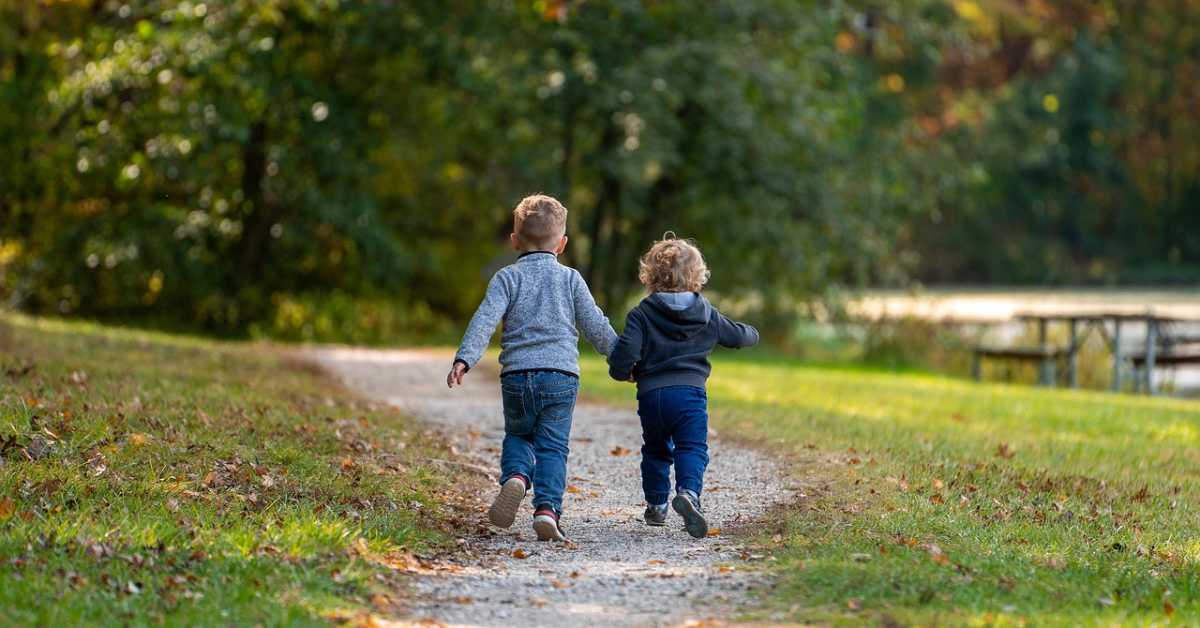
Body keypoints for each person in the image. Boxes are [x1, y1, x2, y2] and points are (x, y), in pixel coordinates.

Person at [447, 194, 617, 541]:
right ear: (563, 243)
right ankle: (547, 510)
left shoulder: (506, 278)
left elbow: (484, 320)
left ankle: (517, 477)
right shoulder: (571, 279)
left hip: (517, 376)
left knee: (519, 434)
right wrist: (621, 359)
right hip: (561, 376)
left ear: (514, 240)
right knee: (553, 446)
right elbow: (594, 324)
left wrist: (465, 358)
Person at [607, 233, 759, 538]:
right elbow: (739, 336)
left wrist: (623, 372)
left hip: (652, 397)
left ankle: (656, 505)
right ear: (697, 277)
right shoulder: (707, 314)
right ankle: (689, 494)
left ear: (650, 276)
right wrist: (753, 333)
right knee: (691, 447)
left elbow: (625, 354)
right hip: (690, 396)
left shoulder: (641, 314)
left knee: (655, 449)